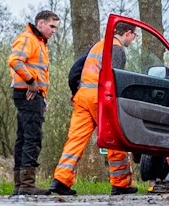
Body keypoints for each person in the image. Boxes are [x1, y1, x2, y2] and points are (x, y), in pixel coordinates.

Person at [49, 21, 140, 196]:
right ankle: (121, 184)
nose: (133, 40)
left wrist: (75, 91)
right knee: (114, 138)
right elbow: (115, 78)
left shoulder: (98, 45)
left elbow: (75, 69)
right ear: (127, 33)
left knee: (75, 139)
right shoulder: (117, 49)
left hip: (83, 96)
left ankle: (61, 180)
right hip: (100, 98)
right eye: (135, 36)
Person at [6, 11, 59, 196]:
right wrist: (31, 82)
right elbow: (14, 61)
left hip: (33, 95)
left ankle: (20, 185)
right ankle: (27, 185)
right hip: (28, 94)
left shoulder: (40, 43)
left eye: (55, 28)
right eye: (51, 26)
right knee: (32, 138)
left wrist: (42, 95)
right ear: (41, 23)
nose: (54, 31)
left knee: (23, 138)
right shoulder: (29, 39)